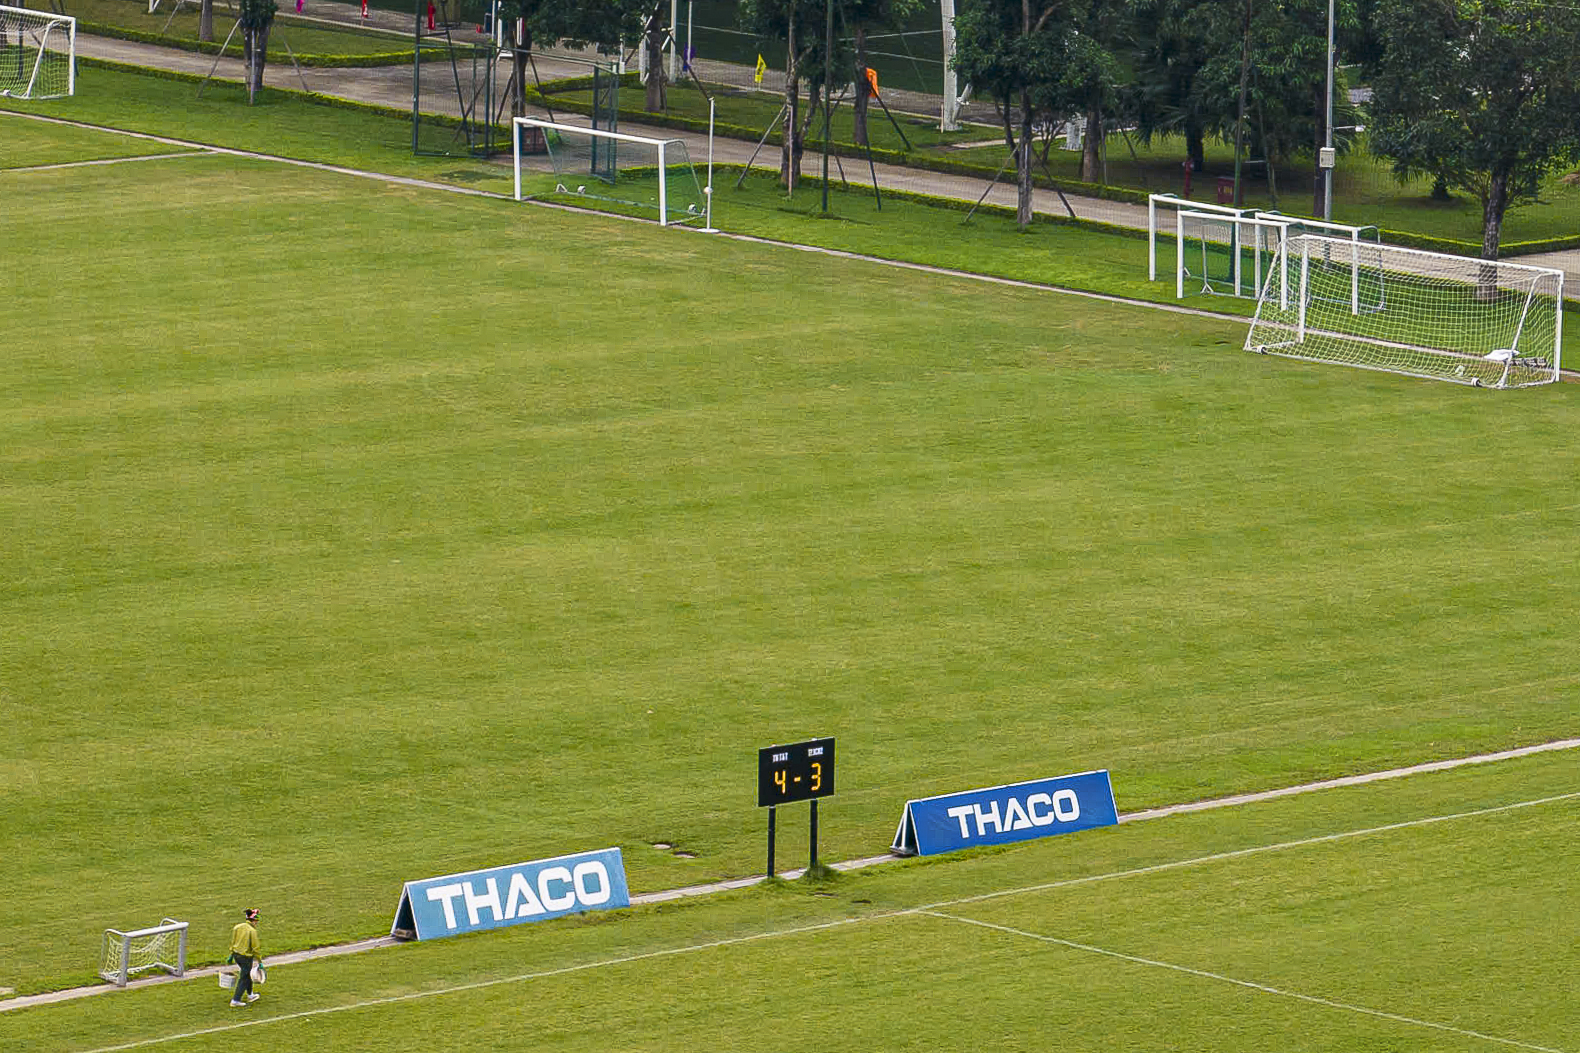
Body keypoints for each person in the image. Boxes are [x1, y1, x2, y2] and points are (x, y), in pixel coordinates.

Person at [227, 908, 262, 1008]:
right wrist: (260, 962)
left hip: (236, 955)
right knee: (244, 977)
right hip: (246, 957)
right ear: (254, 920)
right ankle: (235, 1000)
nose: (257, 923)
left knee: (248, 974)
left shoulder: (237, 927)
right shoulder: (252, 931)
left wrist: (230, 956)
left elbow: (233, 942)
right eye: (256, 921)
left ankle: (250, 994)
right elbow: (256, 948)